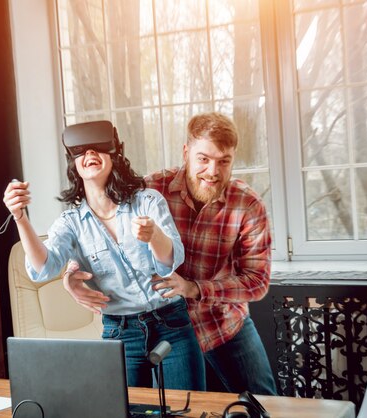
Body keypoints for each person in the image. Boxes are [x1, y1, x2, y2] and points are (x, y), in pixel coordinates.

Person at [62, 112, 278, 395]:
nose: (213, 171)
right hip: (164, 331)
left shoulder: (248, 204)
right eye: (204, 159)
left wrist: (193, 288)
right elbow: (99, 230)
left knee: (262, 406)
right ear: (186, 153)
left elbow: (257, 282)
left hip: (223, 325)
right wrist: (70, 275)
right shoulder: (150, 190)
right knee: (167, 411)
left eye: (224, 161)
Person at [3, 120, 205, 391]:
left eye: (98, 149)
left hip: (171, 323)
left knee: (189, 408)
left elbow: (169, 262)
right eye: (82, 151)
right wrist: (20, 218)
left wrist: (154, 235)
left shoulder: (147, 201)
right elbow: (44, 268)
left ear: (114, 156)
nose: (90, 155)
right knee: (127, 410)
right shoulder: (70, 223)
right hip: (121, 333)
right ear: (73, 164)